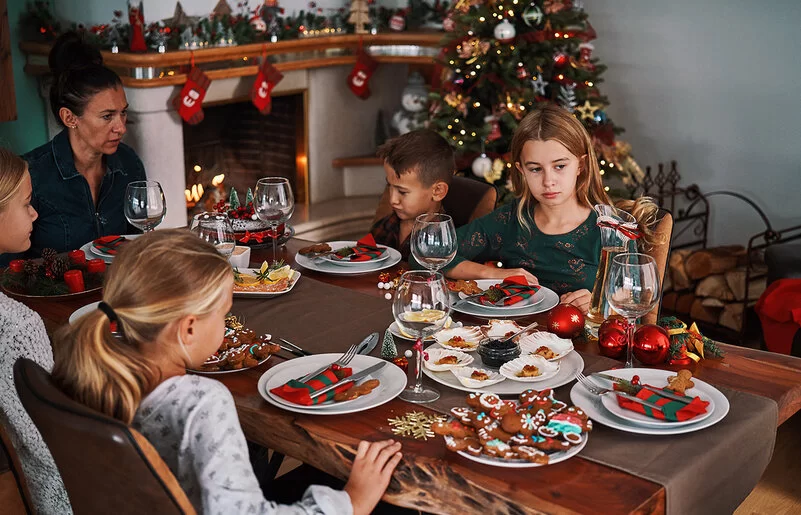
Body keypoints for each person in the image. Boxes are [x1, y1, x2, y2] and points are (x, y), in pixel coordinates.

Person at [51, 229, 402, 515]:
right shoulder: (202, 403)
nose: (226, 326)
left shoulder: (97, 365)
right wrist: (351, 502)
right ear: (188, 330)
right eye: (223, 315)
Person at [444, 104, 661, 313]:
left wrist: (601, 302)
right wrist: (494, 274)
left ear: (581, 165)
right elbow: (431, 255)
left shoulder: (612, 231)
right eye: (536, 169)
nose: (549, 181)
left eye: (560, 166)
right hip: (516, 340)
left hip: (587, 346)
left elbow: (636, 300)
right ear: (521, 170)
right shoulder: (511, 220)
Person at [8, 31, 147, 264]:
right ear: (70, 118)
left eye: (123, 112)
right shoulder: (30, 175)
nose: (121, 127)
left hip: (119, 292)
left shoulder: (129, 163)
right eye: (107, 116)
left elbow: (140, 243)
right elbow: (8, 270)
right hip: (52, 298)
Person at [0, 148, 72, 513]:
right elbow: (52, 441)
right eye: (26, 204)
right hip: (71, 496)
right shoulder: (17, 325)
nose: (35, 213)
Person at [370, 129, 455, 260]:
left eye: (402, 192)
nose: (392, 200)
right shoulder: (387, 225)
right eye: (389, 186)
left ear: (438, 191)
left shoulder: (444, 240)